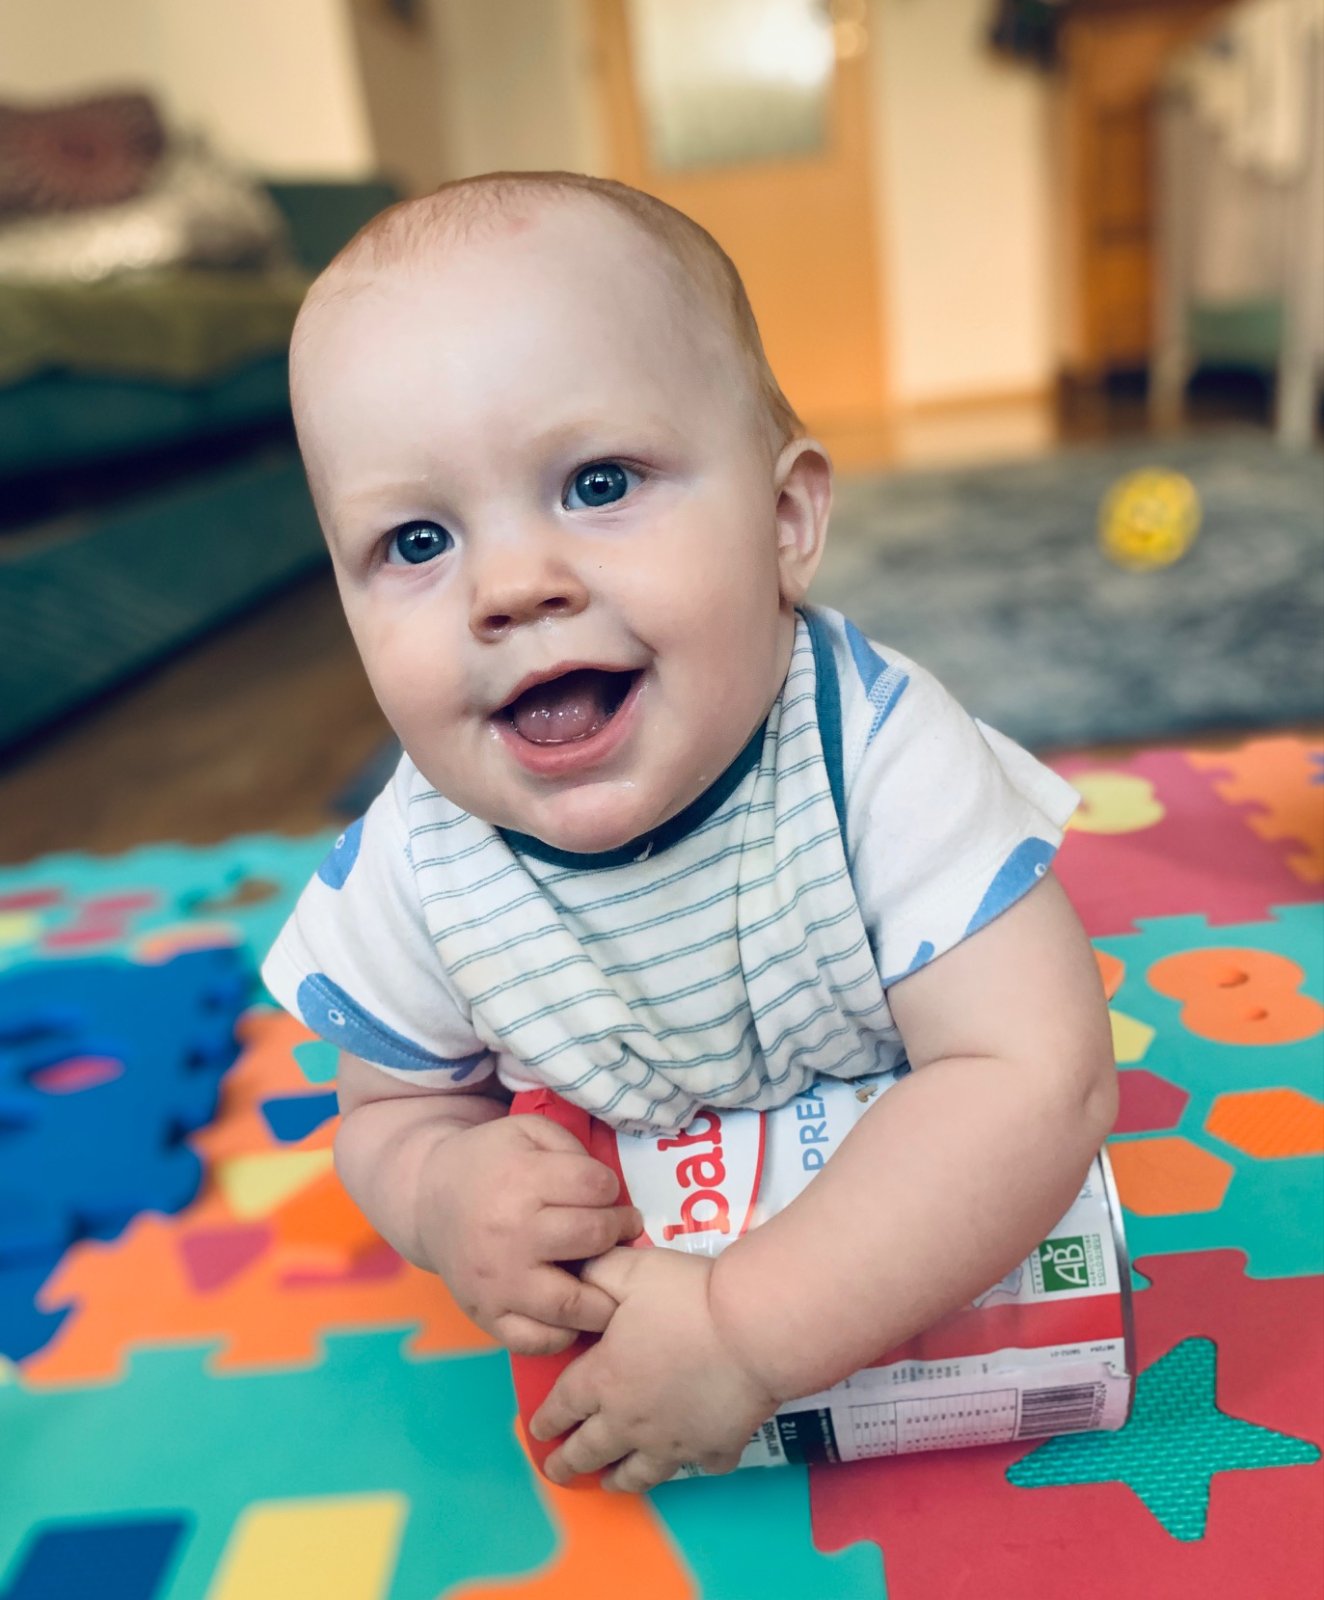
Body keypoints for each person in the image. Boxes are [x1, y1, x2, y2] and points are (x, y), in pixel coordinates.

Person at [262, 170, 1118, 1494]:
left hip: (896, 1242)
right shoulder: (415, 868)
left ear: (783, 523)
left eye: (598, 482)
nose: (510, 587)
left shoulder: (872, 752)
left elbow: (1036, 1073)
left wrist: (747, 1330)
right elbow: (386, 1114)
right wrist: (442, 1191)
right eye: (417, 540)